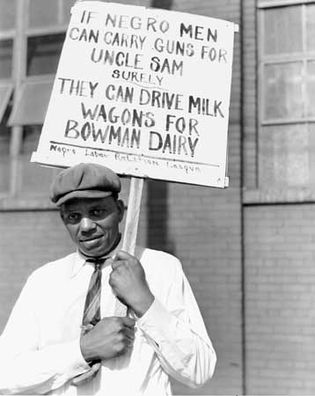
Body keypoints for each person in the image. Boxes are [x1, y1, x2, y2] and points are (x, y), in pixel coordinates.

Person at [0, 163, 216, 395]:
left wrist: (145, 303)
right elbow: (6, 374)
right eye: (74, 216)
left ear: (121, 210)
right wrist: (83, 350)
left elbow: (199, 370)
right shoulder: (43, 282)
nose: (86, 226)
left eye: (97, 212)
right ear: (64, 220)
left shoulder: (161, 268)